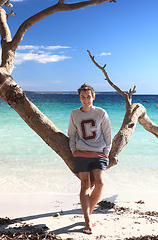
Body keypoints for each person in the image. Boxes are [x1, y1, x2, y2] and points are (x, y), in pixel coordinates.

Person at [68, 83, 112, 234]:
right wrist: (74, 150)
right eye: (82, 97)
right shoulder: (74, 114)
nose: (86, 100)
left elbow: (107, 134)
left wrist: (106, 152)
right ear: (79, 98)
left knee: (100, 183)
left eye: (88, 97)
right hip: (81, 152)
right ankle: (87, 221)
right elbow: (72, 134)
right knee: (85, 184)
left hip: (99, 152)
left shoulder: (101, 113)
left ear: (93, 97)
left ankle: (88, 214)